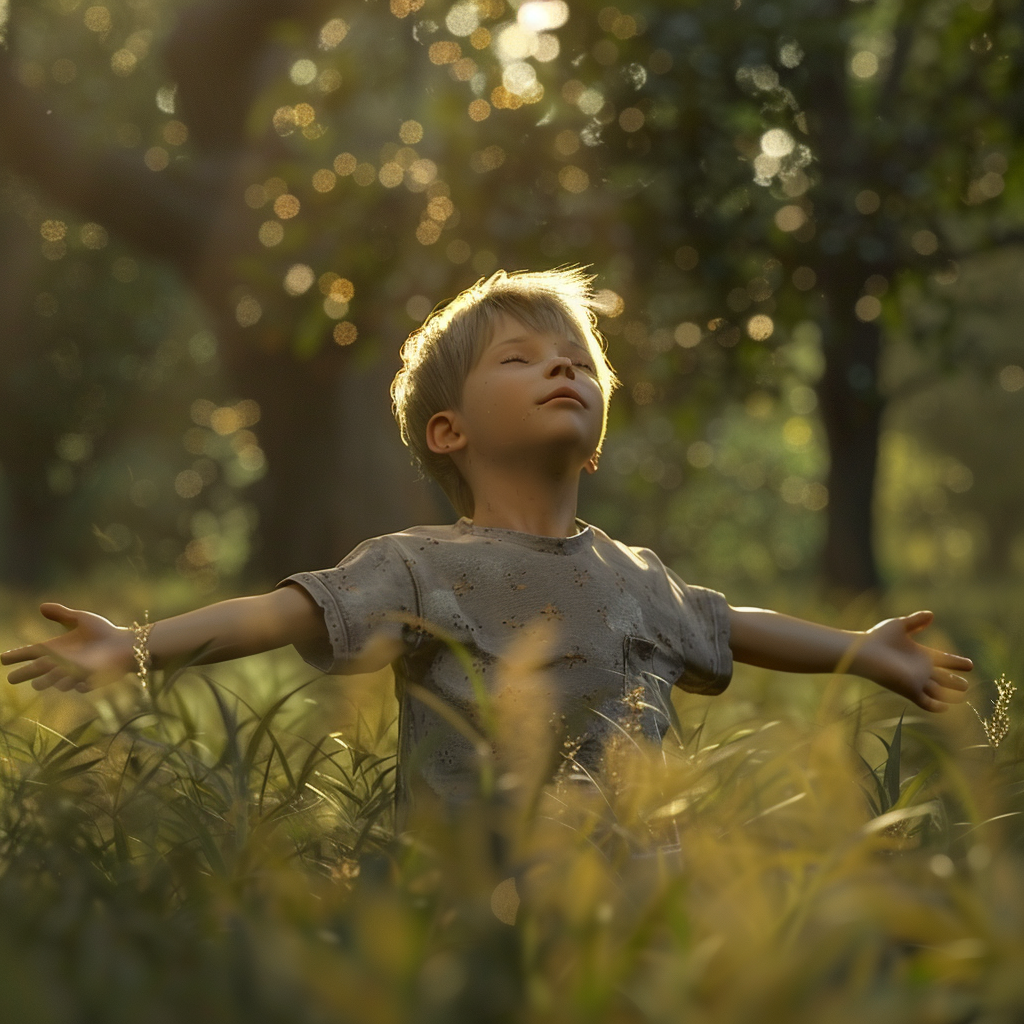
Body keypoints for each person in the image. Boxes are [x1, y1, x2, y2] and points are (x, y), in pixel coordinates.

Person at [0, 268, 972, 812]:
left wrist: (858, 650)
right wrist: (132, 645)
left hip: (634, 901)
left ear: (595, 435)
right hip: (473, 899)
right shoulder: (420, 565)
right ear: (447, 431)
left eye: (578, 362)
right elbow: (280, 609)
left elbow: (734, 625)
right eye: (521, 357)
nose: (561, 367)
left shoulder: (634, 576)